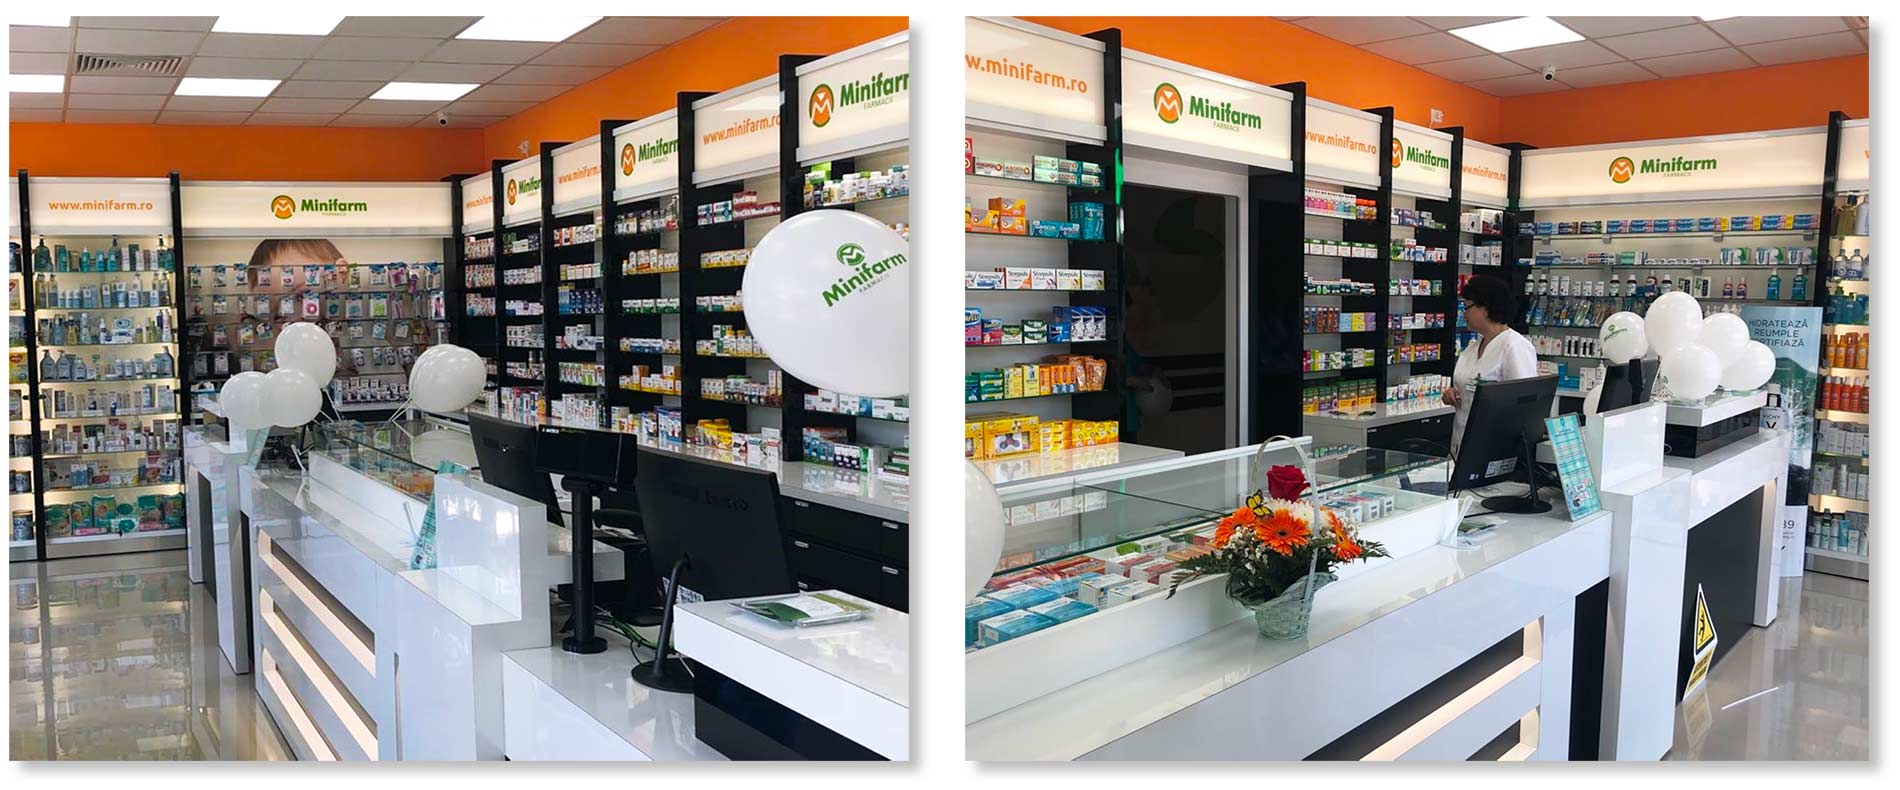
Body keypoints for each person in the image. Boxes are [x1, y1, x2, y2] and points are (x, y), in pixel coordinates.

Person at [1444, 274, 1537, 454]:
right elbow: (1468, 388)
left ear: (1485, 307)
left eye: (1467, 307)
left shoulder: (1514, 346)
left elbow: (1524, 405)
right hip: (1462, 444)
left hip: (1495, 447)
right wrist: (1453, 393)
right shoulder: (1473, 348)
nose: (1464, 314)